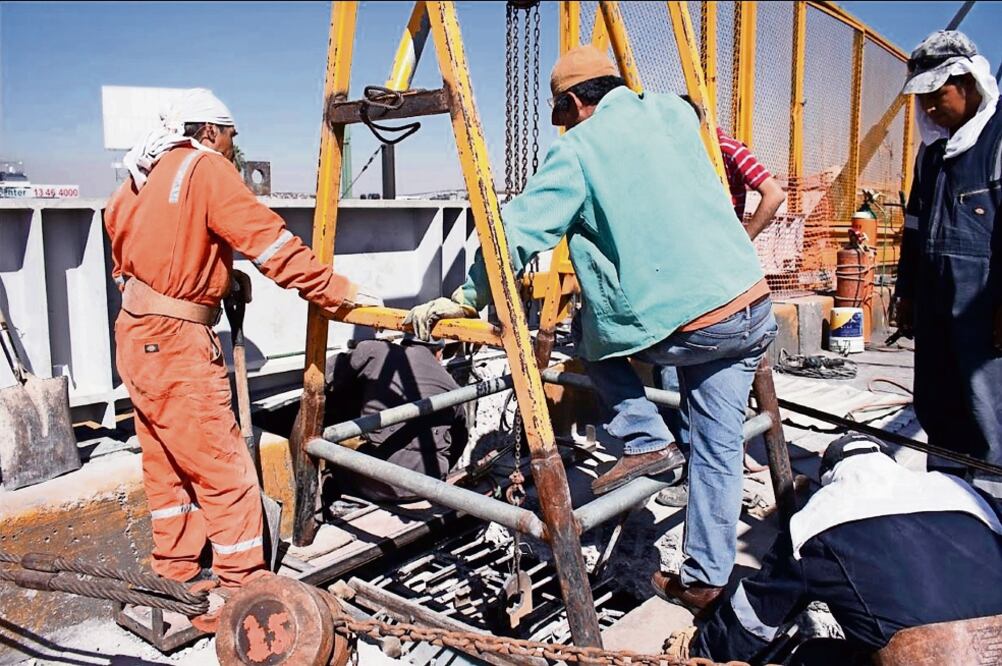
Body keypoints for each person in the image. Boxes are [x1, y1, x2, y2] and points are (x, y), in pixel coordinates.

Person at [405, 46, 777, 605]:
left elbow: (514, 235)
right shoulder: (672, 115)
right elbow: (685, 115)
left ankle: (647, 440)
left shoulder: (578, 151)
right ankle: (704, 579)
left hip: (695, 325)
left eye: (566, 115)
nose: (566, 126)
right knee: (718, 446)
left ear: (577, 103)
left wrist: (468, 295)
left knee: (589, 343)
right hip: (751, 309)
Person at [105, 88, 378, 630]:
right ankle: (242, 598)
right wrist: (338, 293)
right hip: (179, 343)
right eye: (231, 138)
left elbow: (126, 247)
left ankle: (175, 573)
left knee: (167, 467)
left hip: (136, 335)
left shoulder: (139, 177)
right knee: (224, 471)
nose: (234, 150)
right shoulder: (204, 169)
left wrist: (206, 278)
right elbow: (270, 244)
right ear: (209, 131)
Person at [667, 434, 1002, 665]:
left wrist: (703, 652)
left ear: (828, 476)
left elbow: (754, 616)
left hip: (923, 656)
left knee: (811, 656)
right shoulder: (964, 495)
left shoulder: (818, 518)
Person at [654, 96, 787, 509]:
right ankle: (698, 465)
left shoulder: (723, 148)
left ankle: (700, 471)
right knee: (678, 379)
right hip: (689, 277)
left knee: (690, 378)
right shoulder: (676, 157)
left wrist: (741, 238)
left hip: (714, 283)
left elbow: (773, 193)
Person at [893, 30, 1002, 499]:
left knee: (988, 408)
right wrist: (908, 293)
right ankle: (947, 499)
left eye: (939, 97)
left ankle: (992, 507)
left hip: (985, 301)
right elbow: (915, 229)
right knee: (937, 401)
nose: (931, 109)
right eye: (925, 101)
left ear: (970, 83)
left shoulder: (998, 140)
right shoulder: (931, 154)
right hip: (937, 298)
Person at [323, 337, 467, 503]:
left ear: (404, 343)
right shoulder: (453, 386)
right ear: (439, 353)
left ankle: (333, 507)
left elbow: (324, 373)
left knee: (329, 457)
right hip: (428, 485)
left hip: (376, 483)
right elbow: (459, 441)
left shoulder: (376, 351)